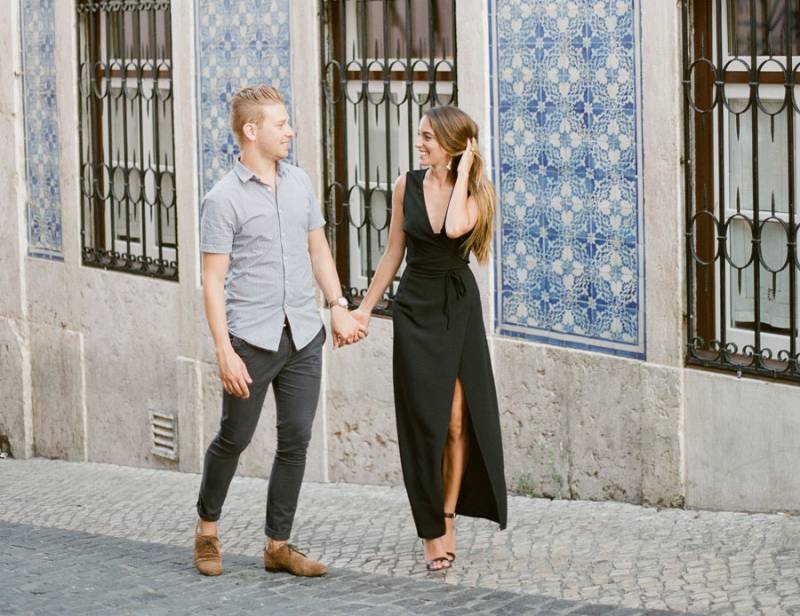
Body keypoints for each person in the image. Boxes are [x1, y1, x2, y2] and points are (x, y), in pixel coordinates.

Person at [193, 85, 365, 577]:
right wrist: (224, 351)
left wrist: (337, 304)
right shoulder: (222, 199)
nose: (290, 131)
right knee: (234, 438)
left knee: (296, 439)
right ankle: (207, 528)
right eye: (281, 123)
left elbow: (318, 250)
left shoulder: (300, 183)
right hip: (251, 340)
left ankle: (277, 545)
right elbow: (212, 280)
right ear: (252, 131)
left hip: (304, 335)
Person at [352, 106, 507, 571]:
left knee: (459, 421)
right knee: (426, 424)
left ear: (454, 145)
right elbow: (393, 252)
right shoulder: (406, 185)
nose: (420, 144)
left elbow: (456, 227)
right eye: (419, 136)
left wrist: (463, 173)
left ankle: (447, 515)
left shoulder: (477, 193)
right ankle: (430, 530)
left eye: (428, 138)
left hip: (458, 308)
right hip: (416, 307)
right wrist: (364, 308)